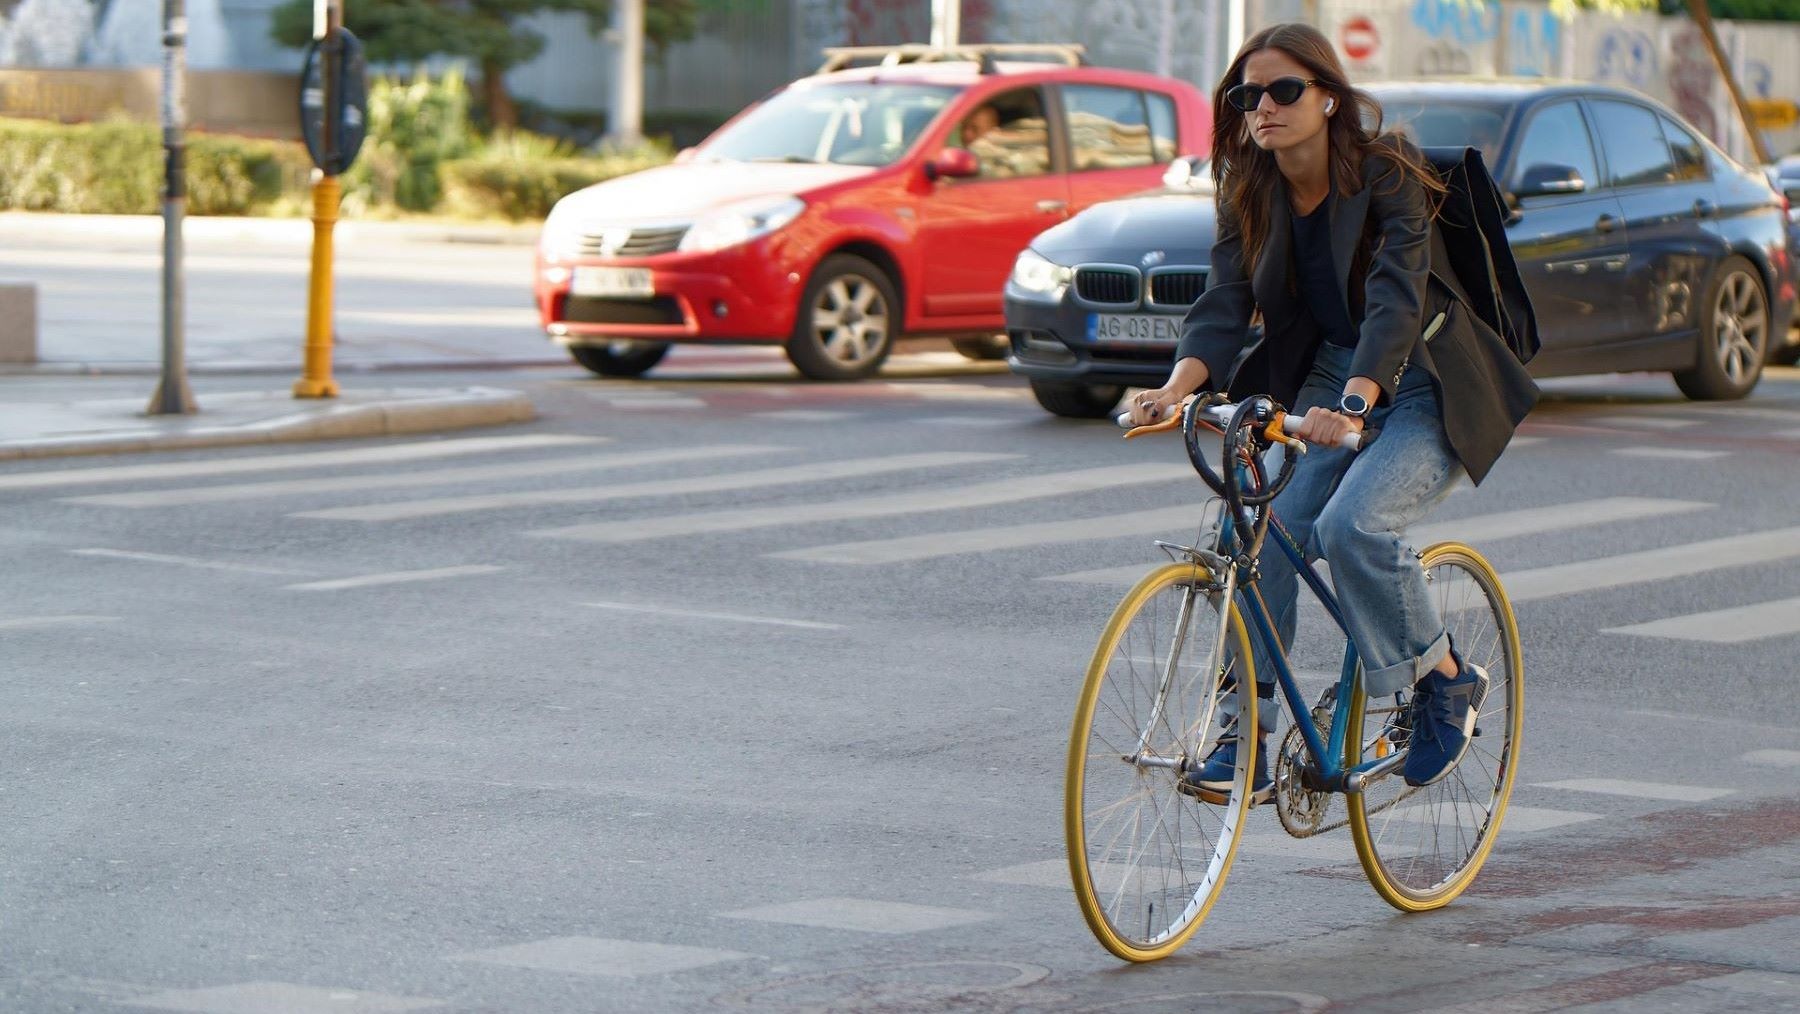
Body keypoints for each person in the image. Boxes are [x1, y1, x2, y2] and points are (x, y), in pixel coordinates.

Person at [1125, 23, 1536, 797]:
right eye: (1249, 95)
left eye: (1284, 90)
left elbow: (1395, 301)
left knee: (1354, 528)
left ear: (1328, 98)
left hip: (1426, 384)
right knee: (1255, 529)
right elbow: (1224, 300)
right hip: (1328, 380)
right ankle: (1243, 733)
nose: (1264, 107)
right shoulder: (1250, 187)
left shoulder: (1389, 175)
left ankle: (1446, 678)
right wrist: (1175, 389)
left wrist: (1353, 405)